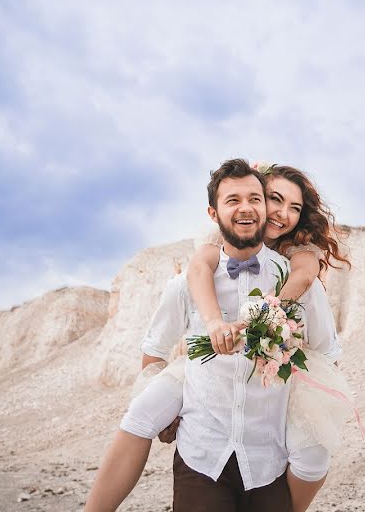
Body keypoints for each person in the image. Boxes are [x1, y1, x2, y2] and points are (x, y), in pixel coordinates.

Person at [85, 160, 349, 512]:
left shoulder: (297, 272)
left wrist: (279, 339)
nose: (279, 213)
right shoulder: (200, 268)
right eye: (274, 199)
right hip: (202, 452)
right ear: (215, 212)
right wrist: (165, 404)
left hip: (266, 454)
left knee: (314, 456)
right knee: (142, 412)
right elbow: (155, 346)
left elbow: (327, 348)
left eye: (292, 207)